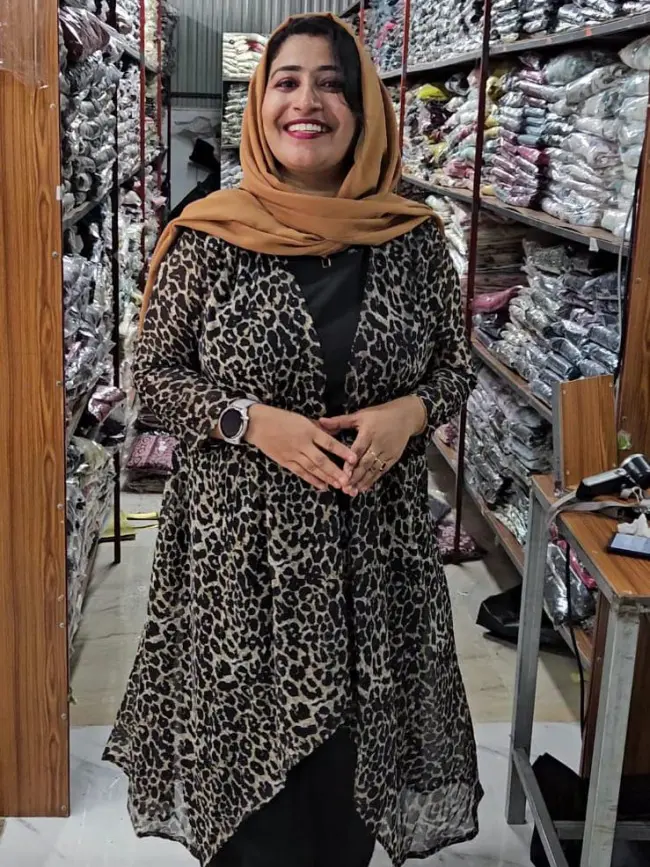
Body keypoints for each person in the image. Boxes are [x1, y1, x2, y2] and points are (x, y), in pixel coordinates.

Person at [104, 12, 482, 867]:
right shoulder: (209, 232)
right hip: (238, 574)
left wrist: (411, 412)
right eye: (287, 81)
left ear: (364, 109)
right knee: (251, 808)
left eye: (332, 83)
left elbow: (453, 370)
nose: (306, 102)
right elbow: (151, 378)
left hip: (371, 571)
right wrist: (249, 421)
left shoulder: (413, 236)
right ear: (260, 103)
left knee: (343, 804)